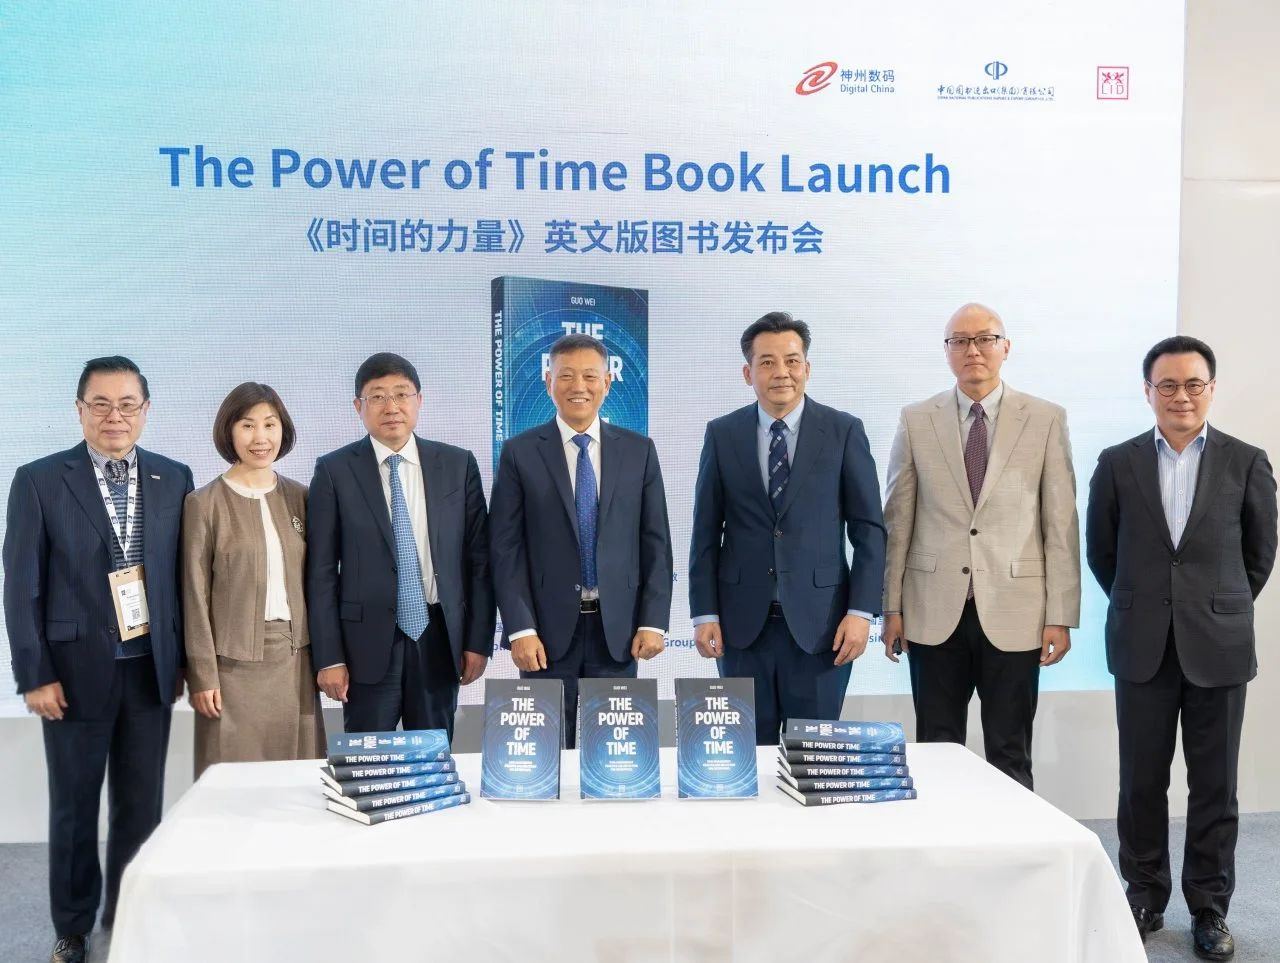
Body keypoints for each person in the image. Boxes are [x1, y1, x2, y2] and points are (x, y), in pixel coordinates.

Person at [1086, 335, 1276, 960]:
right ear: (1148, 392)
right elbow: (1102, 552)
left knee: (1215, 785)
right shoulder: (1117, 463)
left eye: (1193, 384)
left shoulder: (1246, 461)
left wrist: (1211, 605)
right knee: (1140, 781)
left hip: (1218, 645)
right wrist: (1150, 604)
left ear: (1211, 389)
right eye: (1167, 385)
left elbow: (1259, 555)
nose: (1181, 396)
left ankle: (1209, 907)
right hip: (1142, 644)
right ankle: (1143, 897)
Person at [3, 356, 193, 963]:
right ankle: (73, 928)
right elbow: (20, 586)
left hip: (149, 669)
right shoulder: (39, 480)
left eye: (128, 404)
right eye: (101, 404)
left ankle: (128, 913)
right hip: (72, 673)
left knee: (140, 804)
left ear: (146, 410)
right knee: (74, 806)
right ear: (79, 410)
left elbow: (182, 580)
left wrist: (183, 661)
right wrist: (35, 673)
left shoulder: (173, 477)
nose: (116, 416)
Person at [880, 303, 1079, 791]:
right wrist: (891, 607)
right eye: (960, 341)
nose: (973, 350)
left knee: (1010, 750)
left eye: (985, 339)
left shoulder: (1046, 418)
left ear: (1006, 347)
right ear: (946, 351)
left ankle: (1013, 840)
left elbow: (1060, 523)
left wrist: (1061, 614)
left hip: (1016, 610)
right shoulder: (916, 419)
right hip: (932, 610)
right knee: (935, 749)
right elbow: (897, 520)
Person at [689, 312, 886, 744]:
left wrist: (860, 613)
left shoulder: (843, 431)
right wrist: (704, 613)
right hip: (742, 629)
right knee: (745, 755)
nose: (782, 372)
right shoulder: (722, 434)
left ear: (807, 368)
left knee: (813, 756)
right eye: (767, 362)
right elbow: (704, 533)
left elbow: (869, 531)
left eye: (792, 361)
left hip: (823, 628)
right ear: (748, 373)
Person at [489, 333, 673, 746]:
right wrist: (520, 629)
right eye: (566, 375)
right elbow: (505, 550)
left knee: (612, 752)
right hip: (543, 636)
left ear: (607, 382)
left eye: (590, 376)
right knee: (546, 751)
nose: (579, 386)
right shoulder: (520, 452)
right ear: (548, 381)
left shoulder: (639, 451)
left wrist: (652, 621)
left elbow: (656, 542)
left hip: (618, 633)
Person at [307, 352, 494, 739]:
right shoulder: (334, 471)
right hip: (365, 645)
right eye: (377, 397)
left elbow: (479, 561)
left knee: (433, 757)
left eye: (401, 394)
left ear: (419, 400)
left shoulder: (457, 465)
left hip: (439, 637)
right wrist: (329, 657)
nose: (391, 407)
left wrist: (478, 641)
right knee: (368, 760)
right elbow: (321, 572)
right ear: (358, 407)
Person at [182, 382, 323, 778]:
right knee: (235, 786)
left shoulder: (302, 497)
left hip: (296, 662)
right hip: (231, 669)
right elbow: (194, 596)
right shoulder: (203, 503)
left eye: (270, 424)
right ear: (229, 431)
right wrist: (203, 674)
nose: (260, 438)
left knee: (296, 784)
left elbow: (321, 584)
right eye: (247, 425)